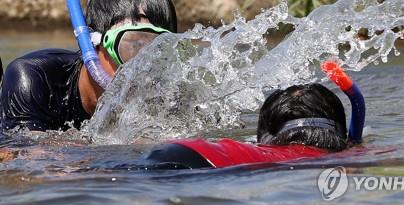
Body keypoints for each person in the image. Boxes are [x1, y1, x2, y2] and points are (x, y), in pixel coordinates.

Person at [0, 0, 177, 131]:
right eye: (132, 46)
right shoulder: (35, 79)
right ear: (92, 43)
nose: (143, 66)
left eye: (160, 50)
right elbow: (23, 158)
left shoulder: (175, 95)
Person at [146, 61, 365, 169]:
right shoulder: (345, 158)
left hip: (182, 152)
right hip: (197, 160)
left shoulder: (256, 151)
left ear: (265, 136)